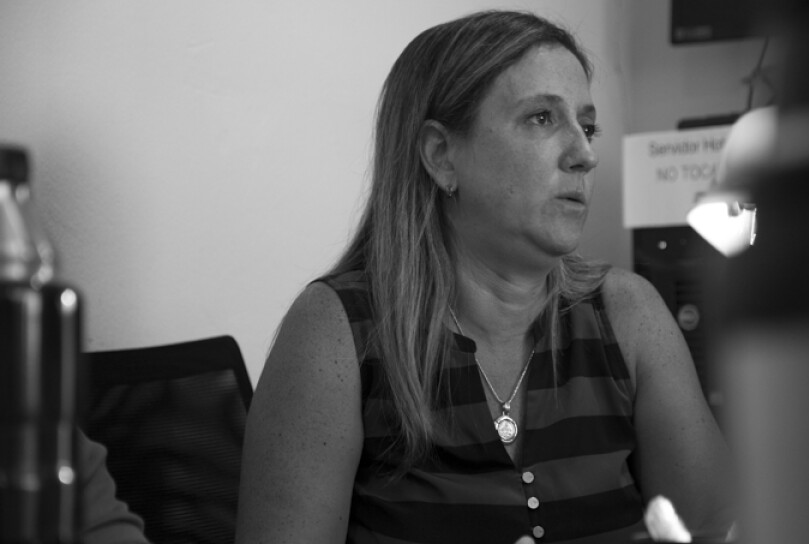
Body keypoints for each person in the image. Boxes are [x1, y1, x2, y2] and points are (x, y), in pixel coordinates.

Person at [236, 9, 734, 544]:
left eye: (587, 126)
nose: (584, 154)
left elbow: (718, 532)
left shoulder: (628, 314)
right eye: (541, 118)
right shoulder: (336, 332)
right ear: (441, 156)